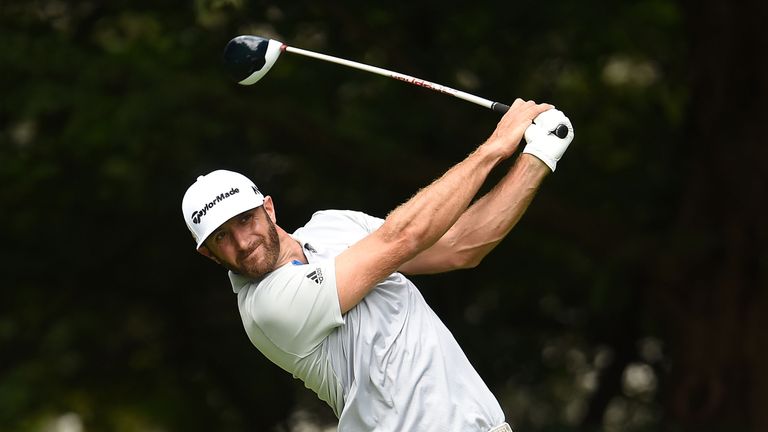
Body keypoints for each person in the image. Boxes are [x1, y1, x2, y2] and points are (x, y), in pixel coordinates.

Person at [181, 98, 573, 432]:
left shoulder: (332, 225)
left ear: (268, 207)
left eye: (245, 220)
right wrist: (496, 147)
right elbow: (403, 237)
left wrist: (539, 153)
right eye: (222, 237)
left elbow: (460, 246)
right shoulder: (266, 307)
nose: (242, 242)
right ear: (209, 254)